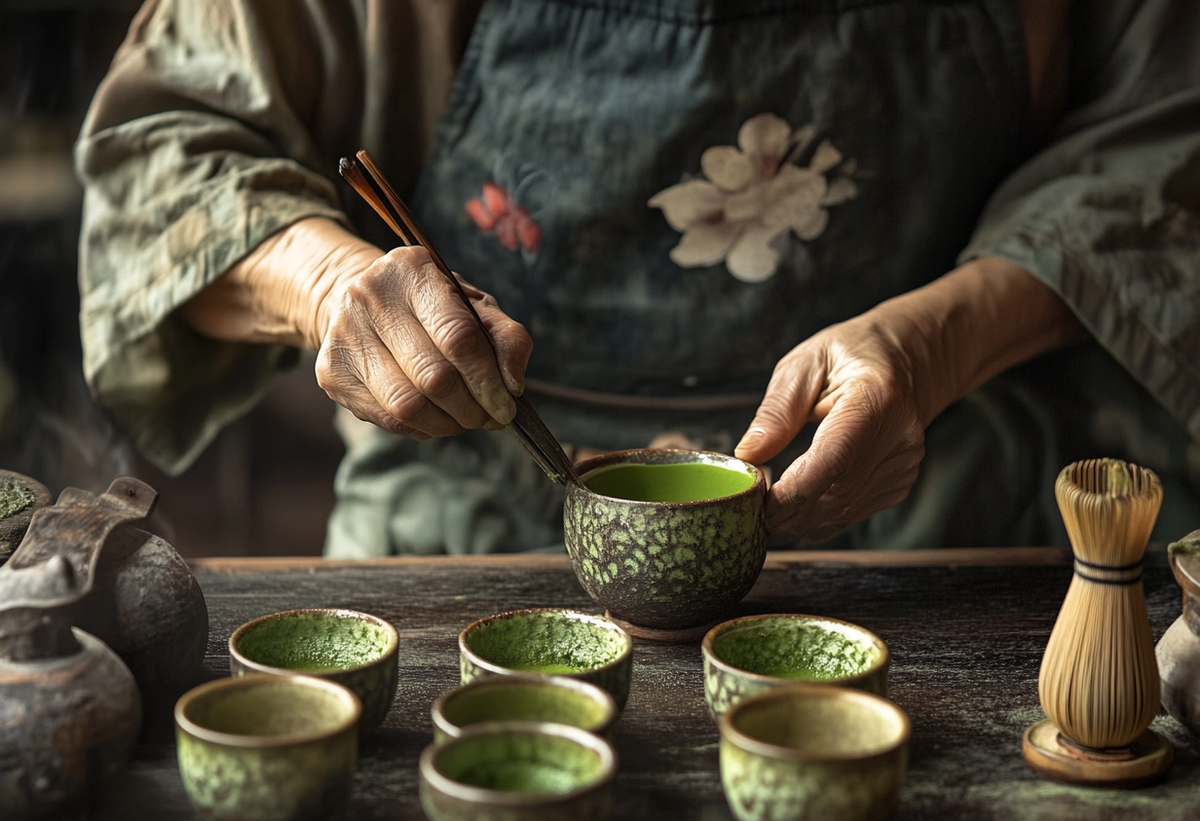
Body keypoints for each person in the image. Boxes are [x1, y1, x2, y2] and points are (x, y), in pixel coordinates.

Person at [75, 0, 1200, 557]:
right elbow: (168, 142)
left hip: (945, 507)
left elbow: (1163, 141)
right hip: (479, 523)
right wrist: (330, 285)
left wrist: (932, 347)